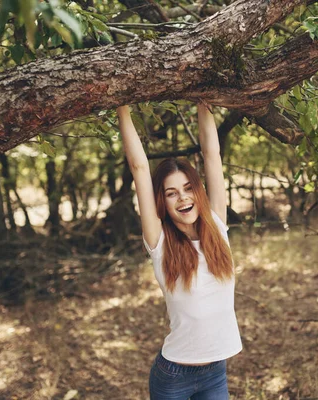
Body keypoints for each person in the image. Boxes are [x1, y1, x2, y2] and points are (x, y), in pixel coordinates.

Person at [117, 103, 242, 399]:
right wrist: (122, 106)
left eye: (188, 188)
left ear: (198, 192)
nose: (182, 198)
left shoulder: (217, 228)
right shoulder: (160, 243)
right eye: (171, 193)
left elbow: (212, 156)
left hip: (215, 372)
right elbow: (139, 168)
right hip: (174, 376)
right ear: (163, 202)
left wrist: (203, 101)